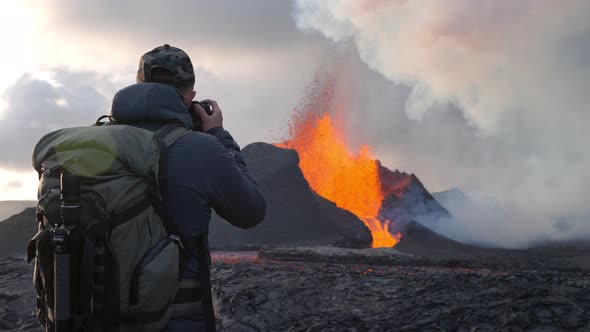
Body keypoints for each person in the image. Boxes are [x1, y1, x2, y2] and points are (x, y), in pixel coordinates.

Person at [118, 44, 266, 331]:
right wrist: (218, 135)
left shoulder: (97, 143)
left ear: (139, 87)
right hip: (173, 319)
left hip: (95, 315)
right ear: (191, 98)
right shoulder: (200, 148)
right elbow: (252, 211)